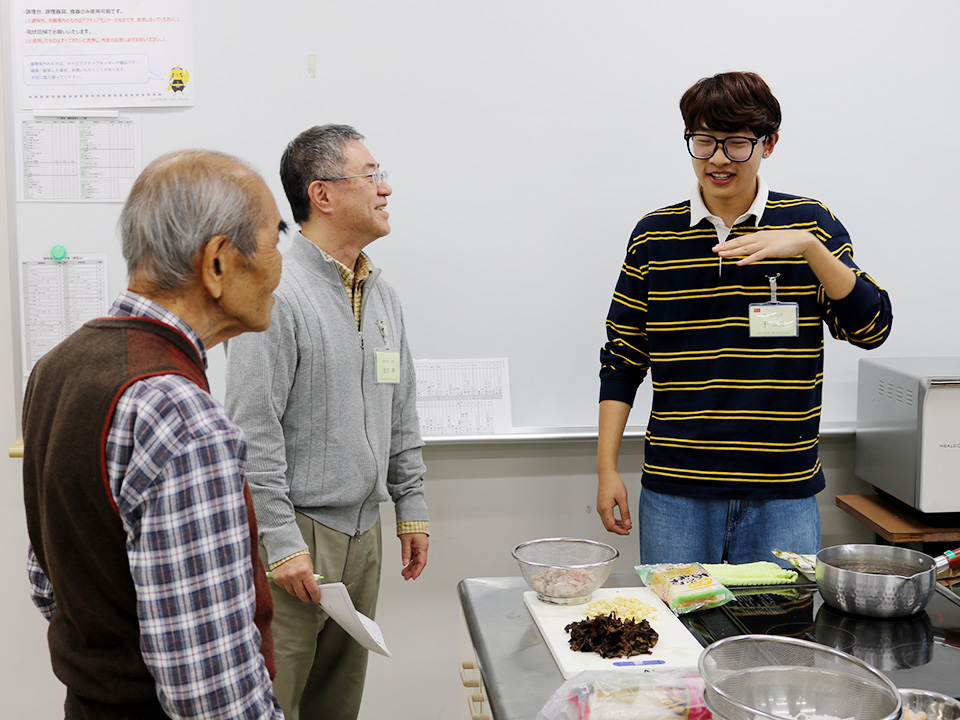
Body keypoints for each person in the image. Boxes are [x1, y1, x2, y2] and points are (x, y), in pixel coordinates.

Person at [22, 150, 287, 719]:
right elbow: (210, 694)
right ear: (217, 261)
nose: (279, 265)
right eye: (274, 241)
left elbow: (49, 584)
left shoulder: (55, 368)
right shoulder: (182, 418)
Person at [596, 71, 892, 567]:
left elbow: (872, 327)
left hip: (783, 492)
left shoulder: (810, 222)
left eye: (736, 144)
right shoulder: (654, 236)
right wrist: (606, 467)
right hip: (677, 490)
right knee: (680, 634)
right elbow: (623, 358)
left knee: (782, 641)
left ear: (768, 144)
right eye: (703, 141)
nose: (717, 159)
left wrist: (809, 249)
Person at [225, 124, 429, 720]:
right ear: (323, 194)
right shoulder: (277, 292)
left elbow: (402, 410)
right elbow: (251, 434)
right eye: (372, 175)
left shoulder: (381, 293)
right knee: (277, 703)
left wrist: (410, 506)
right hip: (298, 541)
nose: (386, 188)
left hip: (364, 536)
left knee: (337, 706)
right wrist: (281, 545)